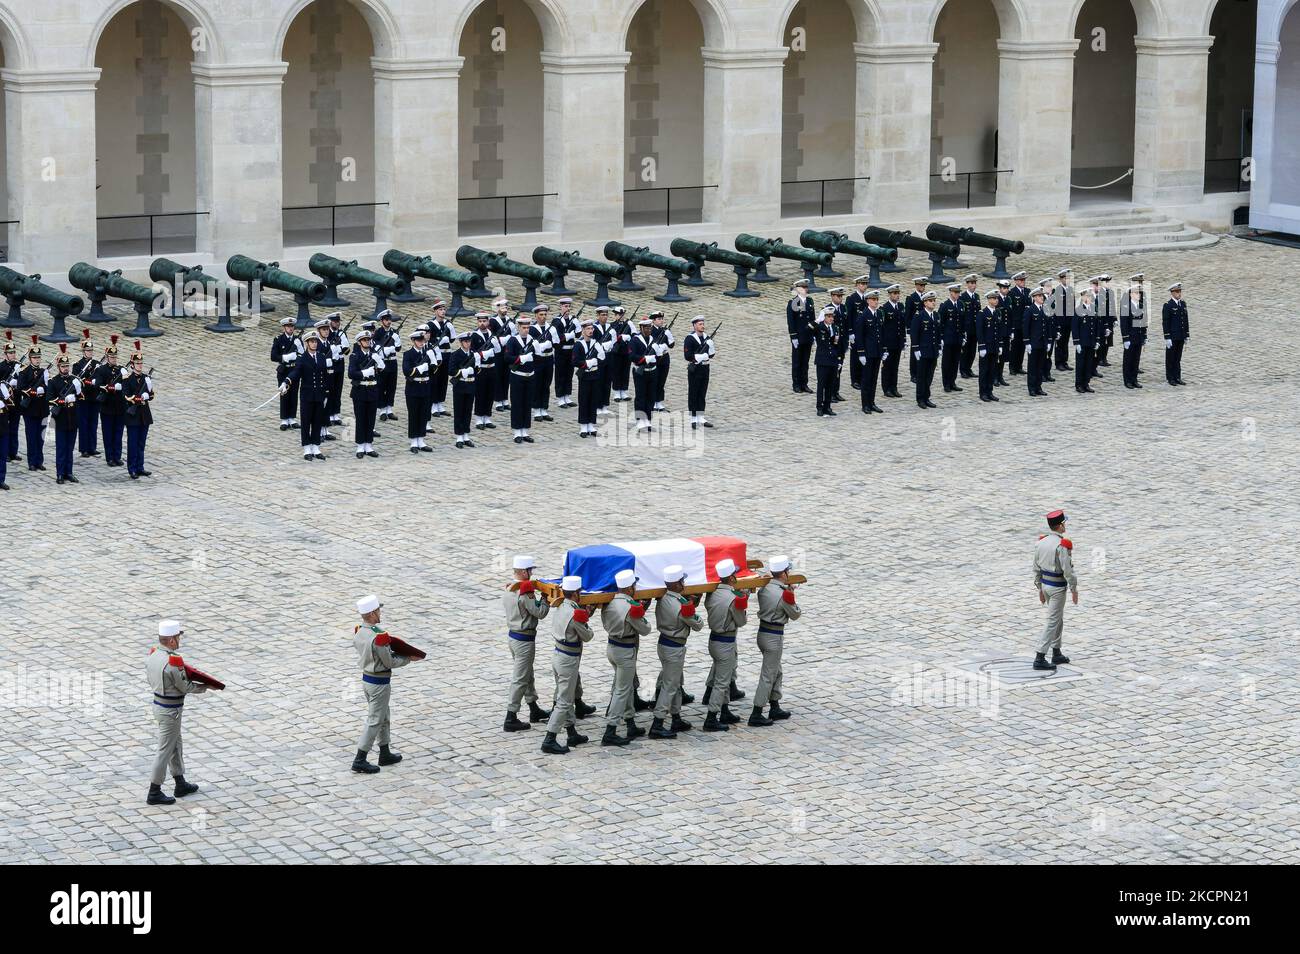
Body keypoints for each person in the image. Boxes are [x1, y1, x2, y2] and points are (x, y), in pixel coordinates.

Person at [352, 594, 420, 774]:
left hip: (367, 679)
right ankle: (360, 759)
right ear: (373, 613)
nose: (380, 613)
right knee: (375, 720)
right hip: (379, 682)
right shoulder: (378, 637)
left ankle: (385, 752)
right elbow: (389, 662)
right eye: (378, 610)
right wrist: (408, 659)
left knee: (384, 716)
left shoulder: (360, 631)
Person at [144, 619, 206, 805]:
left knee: (175, 745)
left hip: (160, 706)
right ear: (171, 640)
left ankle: (180, 782)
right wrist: (205, 686)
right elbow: (185, 686)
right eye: (178, 637)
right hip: (171, 710)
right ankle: (154, 791)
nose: (179, 640)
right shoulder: (173, 661)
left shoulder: (153, 655)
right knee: (165, 750)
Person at [542, 576, 594, 755]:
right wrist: (586, 618)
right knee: (564, 701)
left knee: (567, 696)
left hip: (558, 655)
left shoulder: (561, 606)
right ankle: (549, 738)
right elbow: (587, 636)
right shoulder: (575, 613)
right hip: (568, 659)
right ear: (577, 593)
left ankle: (572, 732)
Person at [601, 568, 651, 746]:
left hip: (612, 647)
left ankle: (630, 723)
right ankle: (610, 730)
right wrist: (642, 611)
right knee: (622, 691)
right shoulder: (631, 607)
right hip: (625, 650)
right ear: (629, 589)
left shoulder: (608, 602)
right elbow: (645, 629)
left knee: (627, 686)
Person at [652, 565, 702, 737]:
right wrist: (693, 608)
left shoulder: (663, 598)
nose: (684, 583)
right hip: (674, 646)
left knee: (674, 681)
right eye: (682, 581)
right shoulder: (680, 604)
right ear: (677, 584)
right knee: (670, 685)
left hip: (665, 643)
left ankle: (676, 717)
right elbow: (698, 625)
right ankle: (657, 723)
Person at [503, 555, 551, 731]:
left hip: (514, 637)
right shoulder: (524, 592)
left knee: (527, 674)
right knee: (521, 678)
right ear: (524, 571)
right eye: (530, 571)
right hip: (524, 639)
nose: (531, 574)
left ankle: (533, 708)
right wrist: (545, 598)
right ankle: (511, 716)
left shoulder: (509, 588)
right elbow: (540, 612)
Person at [702, 559, 748, 732]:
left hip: (714, 640)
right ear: (731, 577)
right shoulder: (733, 598)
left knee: (724, 676)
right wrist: (743, 604)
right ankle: (711, 717)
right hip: (726, 642)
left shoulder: (712, 593)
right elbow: (741, 621)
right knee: (722, 682)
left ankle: (724, 710)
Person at [752, 556, 799, 725]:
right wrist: (791, 593)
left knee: (776, 670)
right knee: (768, 675)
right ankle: (756, 712)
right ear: (784, 573)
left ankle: (774, 705)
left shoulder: (765, 589)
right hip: (774, 636)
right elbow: (795, 614)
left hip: (763, 633)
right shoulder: (783, 594)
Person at [1032, 510, 1078, 671]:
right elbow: (1067, 570)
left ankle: (1056, 652)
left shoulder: (1041, 542)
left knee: (1057, 619)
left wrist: (1039, 588)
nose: (1065, 525)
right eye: (1064, 523)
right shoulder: (1062, 544)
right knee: (1053, 621)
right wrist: (1074, 588)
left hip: (1045, 584)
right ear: (1060, 526)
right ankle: (1040, 656)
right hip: (1058, 587)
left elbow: (1035, 567)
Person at [282, 330, 331, 460]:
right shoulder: (302, 359)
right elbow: (296, 373)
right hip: (307, 395)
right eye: (311, 342)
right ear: (307, 343)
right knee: (306, 421)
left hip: (319, 395)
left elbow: (325, 376)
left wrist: (326, 392)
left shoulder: (321, 357)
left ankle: (315, 446)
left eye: (315, 341)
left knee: (317, 421)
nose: (314, 344)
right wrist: (287, 381)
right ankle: (307, 448)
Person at [503, 313, 538, 444]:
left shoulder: (532, 340)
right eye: (524, 327)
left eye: (528, 327)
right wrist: (520, 359)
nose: (526, 330)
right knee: (517, 403)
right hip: (518, 376)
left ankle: (525, 431)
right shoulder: (512, 341)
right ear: (518, 327)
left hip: (530, 376)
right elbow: (507, 358)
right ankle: (517, 432)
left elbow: (537, 357)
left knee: (527, 403)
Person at [347, 328, 382, 458]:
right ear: (360, 342)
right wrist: (363, 373)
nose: (367, 342)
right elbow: (351, 373)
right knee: (361, 418)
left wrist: (379, 364)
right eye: (364, 340)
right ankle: (360, 446)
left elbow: (381, 372)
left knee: (371, 419)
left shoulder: (374, 355)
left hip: (372, 390)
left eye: (368, 340)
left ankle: (369, 445)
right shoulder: (355, 356)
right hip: (360, 391)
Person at [48, 348, 81, 484]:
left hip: (72, 418)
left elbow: (81, 397)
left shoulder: (74, 380)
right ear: (58, 367)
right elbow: (49, 399)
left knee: (70, 447)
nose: (66, 368)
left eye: (67, 366)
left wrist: (78, 391)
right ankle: (60, 473)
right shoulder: (54, 381)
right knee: (61, 447)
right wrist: (62, 401)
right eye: (63, 366)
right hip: (60, 418)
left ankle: (69, 472)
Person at [122, 344, 155, 479]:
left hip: (144, 415)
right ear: (132, 365)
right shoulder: (127, 380)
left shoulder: (145, 378)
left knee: (141, 442)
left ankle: (140, 467)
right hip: (133, 415)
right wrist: (138, 397)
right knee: (133, 443)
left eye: (141, 363)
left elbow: (151, 395)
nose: (140, 366)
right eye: (137, 363)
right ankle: (132, 468)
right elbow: (126, 396)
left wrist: (148, 395)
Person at [16, 337, 49, 471]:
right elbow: (20, 389)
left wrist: (45, 388)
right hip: (30, 409)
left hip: (42, 409)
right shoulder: (24, 372)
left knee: (40, 437)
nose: (37, 359)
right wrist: (33, 392)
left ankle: (39, 461)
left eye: (38, 357)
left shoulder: (44, 372)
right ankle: (31, 462)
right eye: (34, 357)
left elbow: (50, 390)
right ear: (30, 358)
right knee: (31, 436)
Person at [401, 328, 435, 453]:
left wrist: (434, 362)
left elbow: (433, 372)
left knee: (424, 414)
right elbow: (407, 371)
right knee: (414, 414)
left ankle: (421, 440)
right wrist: (419, 369)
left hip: (425, 386)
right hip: (413, 388)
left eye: (422, 340)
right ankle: (413, 441)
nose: (421, 342)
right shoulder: (408, 354)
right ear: (413, 340)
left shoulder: (426, 354)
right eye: (419, 340)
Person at [94, 336, 126, 469]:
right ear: (107, 357)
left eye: (115, 357)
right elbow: (98, 385)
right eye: (111, 357)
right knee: (108, 433)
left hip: (119, 406)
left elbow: (128, 386)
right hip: (107, 405)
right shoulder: (101, 370)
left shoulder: (121, 370)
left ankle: (117, 456)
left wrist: (125, 377)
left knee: (118, 432)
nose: (114, 359)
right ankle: (109, 457)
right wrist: (111, 387)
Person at [854, 288, 885, 413]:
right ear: (867, 301)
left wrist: (883, 351)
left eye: (877, 299)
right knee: (866, 380)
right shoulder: (863, 316)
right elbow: (859, 336)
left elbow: (880, 334)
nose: (876, 302)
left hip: (876, 352)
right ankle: (865, 404)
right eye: (873, 299)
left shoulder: (878, 314)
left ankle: (872, 402)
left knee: (874, 379)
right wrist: (861, 352)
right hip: (867, 352)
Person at [682, 316, 715, 429]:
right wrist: (701, 356)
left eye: (703, 323)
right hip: (695, 369)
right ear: (695, 325)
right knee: (693, 392)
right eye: (700, 324)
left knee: (702, 392)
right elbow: (687, 356)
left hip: (705, 368)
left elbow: (711, 355)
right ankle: (693, 417)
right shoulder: (690, 338)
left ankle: (700, 416)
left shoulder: (707, 337)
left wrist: (711, 347)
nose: (702, 326)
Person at [447, 330, 478, 448]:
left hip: (470, 385)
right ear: (461, 342)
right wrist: (462, 372)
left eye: (469, 341)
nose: (468, 343)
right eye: (465, 341)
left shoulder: (473, 354)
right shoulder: (456, 355)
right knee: (459, 411)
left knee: (468, 410)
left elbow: (477, 370)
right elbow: (451, 370)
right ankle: (459, 436)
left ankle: (466, 435)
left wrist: (476, 367)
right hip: (460, 385)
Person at [270, 316, 302, 431]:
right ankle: (284, 419)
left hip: (294, 370)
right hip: (284, 370)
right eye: (288, 326)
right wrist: (285, 357)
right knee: (284, 395)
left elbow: (302, 355)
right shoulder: (278, 339)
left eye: (292, 326)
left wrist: (299, 349)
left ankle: (292, 418)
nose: (290, 328)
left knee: (294, 394)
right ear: (284, 327)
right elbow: (273, 356)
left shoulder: (298, 340)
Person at [574, 318, 604, 439]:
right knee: (584, 399)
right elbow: (575, 361)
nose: (591, 331)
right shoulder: (578, 345)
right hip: (585, 375)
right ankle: (583, 426)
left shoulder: (596, 344)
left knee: (593, 399)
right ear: (583, 330)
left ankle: (591, 425)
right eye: (588, 329)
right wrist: (587, 363)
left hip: (594, 375)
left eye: (592, 328)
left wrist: (600, 356)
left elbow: (602, 358)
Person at [72, 330, 100, 459]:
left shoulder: (97, 364)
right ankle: (84, 448)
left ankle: (92, 447)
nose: (90, 352)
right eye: (88, 350)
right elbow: (78, 381)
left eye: (91, 350)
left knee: (93, 422)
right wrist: (89, 381)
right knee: (83, 423)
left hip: (94, 397)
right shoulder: (77, 366)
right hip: (83, 397)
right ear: (83, 351)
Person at [910, 290, 940, 409]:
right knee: (921, 376)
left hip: (933, 350)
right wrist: (916, 349)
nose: (933, 303)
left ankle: (927, 397)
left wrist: (939, 346)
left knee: (929, 376)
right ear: (925, 303)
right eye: (931, 301)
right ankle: (920, 398)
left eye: (934, 301)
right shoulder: (919, 316)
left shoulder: (936, 315)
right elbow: (914, 333)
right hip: (923, 350)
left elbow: (937, 333)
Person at [629, 315, 659, 431]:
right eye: (646, 328)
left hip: (652, 371)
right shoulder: (635, 340)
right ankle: (640, 420)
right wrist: (645, 359)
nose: (648, 330)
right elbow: (632, 356)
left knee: (651, 395)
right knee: (641, 396)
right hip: (640, 371)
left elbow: (658, 357)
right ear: (641, 328)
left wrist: (658, 352)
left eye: (650, 328)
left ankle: (648, 418)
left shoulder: (653, 340)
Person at [786, 279, 815, 394]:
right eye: (802, 287)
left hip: (807, 336)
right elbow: (791, 321)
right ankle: (796, 384)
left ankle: (804, 383)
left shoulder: (809, 301)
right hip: (798, 336)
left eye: (806, 287)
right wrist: (793, 337)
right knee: (797, 361)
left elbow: (812, 319)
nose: (805, 289)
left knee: (805, 361)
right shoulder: (793, 302)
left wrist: (813, 335)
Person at [373, 309, 402, 422]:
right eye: (386, 320)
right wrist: (386, 349)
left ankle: (389, 409)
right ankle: (382, 410)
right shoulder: (378, 333)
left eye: (390, 319)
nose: (389, 322)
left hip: (392, 362)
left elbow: (398, 348)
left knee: (391, 386)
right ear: (382, 321)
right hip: (383, 362)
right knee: (382, 385)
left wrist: (397, 340)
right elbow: (375, 347)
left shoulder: (394, 332)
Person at [529, 303, 555, 423]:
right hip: (538, 360)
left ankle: (544, 408)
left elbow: (557, 342)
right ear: (536, 316)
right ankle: (536, 409)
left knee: (546, 384)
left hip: (549, 358)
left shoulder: (550, 328)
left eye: (545, 314)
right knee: (537, 384)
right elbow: (532, 346)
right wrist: (544, 345)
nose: (543, 317)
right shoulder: (532, 329)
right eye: (541, 315)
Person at [428, 301, 455, 418]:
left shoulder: (448, 324)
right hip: (435, 355)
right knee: (435, 379)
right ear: (435, 311)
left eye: (444, 309)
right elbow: (428, 340)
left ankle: (440, 403)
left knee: (444, 379)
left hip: (446, 354)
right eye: (440, 309)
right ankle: (433, 404)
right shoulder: (430, 324)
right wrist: (439, 339)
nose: (443, 311)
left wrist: (451, 330)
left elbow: (453, 339)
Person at [1120, 274, 1147, 389]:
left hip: (1139, 336)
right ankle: (1127, 380)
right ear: (1131, 294)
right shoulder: (1126, 306)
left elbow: (1143, 321)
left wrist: (1144, 336)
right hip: (1130, 337)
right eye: (1136, 293)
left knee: (1136, 359)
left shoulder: (1140, 305)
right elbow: (1124, 323)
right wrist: (1125, 338)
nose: (1139, 295)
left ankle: (1134, 379)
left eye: (1139, 293)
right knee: (1128, 360)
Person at [812, 305, 840, 418]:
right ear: (824, 317)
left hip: (832, 360)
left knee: (830, 385)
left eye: (832, 316)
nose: (831, 318)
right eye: (828, 316)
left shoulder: (835, 328)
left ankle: (827, 407)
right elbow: (807, 329)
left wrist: (839, 360)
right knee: (821, 385)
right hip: (822, 360)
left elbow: (837, 345)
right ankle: (819, 407)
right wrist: (816, 320)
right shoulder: (819, 327)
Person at [325, 311, 350, 431]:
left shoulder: (341, 334)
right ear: (330, 322)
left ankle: (335, 413)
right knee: (330, 389)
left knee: (338, 389)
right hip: (330, 365)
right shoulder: (327, 333)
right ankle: (329, 414)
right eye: (335, 321)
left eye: (338, 321)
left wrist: (339, 348)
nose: (337, 323)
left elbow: (346, 350)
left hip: (339, 363)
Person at [552, 298, 579, 408]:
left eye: (569, 306)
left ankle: (567, 396)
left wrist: (577, 328)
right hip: (561, 350)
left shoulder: (573, 320)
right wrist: (569, 335)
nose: (567, 309)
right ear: (561, 307)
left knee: (569, 373)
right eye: (565, 306)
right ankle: (560, 398)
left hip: (571, 350)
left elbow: (578, 335)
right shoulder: (556, 321)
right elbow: (558, 338)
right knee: (560, 374)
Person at [880, 284, 906, 398]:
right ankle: (886, 388)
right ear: (889, 294)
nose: (897, 295)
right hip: (888, 342)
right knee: (887, 367)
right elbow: (882, 328)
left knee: (895, 366)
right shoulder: (884, 308)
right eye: (894, 293)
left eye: (898, 293)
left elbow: (902, 324)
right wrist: (883, 345)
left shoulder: (900, 306)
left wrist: (904, 340)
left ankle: (894, 387)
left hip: (898, 342)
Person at [938, 283, 964, 393]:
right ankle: (946, 383)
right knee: (947, 362)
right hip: (948, 338)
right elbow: (941, 323)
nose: (957, 294)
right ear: (951, 293)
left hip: (957, 338)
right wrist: (942, 337)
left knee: (955, 361)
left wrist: (963, 336)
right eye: (955, 292)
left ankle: (953, 382)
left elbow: (962, 322)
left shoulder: (960, 304)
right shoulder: (945, 305)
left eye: (958, 292)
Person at [1023, 286, 1049, 397]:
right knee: (1032, 367)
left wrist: (1047, 341)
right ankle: (1032, 388)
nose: (1041, 297)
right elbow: (1025, 327)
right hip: (1033, 343)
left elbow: (1046, 327)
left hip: (1042, 343)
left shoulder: (1044, 309)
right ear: (1034, 298)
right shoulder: (1030, 310)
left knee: (1040, 366)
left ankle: (1038, 387)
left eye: (1042, 295)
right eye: (1039, 296)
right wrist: (1027, 342)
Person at [976, 290, 1002, 403]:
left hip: (994, 346)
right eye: (994, 298)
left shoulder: (997, 313)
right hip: (985, 347)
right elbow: (980, 331)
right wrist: (981, 346)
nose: (996, 300)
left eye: (997, 298)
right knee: (984, 370)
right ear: (989, 299)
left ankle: (990, 391)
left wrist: (1000, 345)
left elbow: (999, 330)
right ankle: (983, 393)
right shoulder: (982, 313)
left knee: (992, 370)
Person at [1162, 282, 1189, 385]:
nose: (1179, 293)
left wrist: (1186, 335)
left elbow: (1185, 320)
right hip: (1172, 336)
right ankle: (1170, 378)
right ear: (1172, 293)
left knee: (1178, 358)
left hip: (1181, 336)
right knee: (1170, 358)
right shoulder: (1168, 305)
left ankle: (1177, 377)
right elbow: (1165, 322)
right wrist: (1167, 337)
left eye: (1180, 291)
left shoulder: (1183, 304)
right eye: (1177, 292)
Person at [1072, 288, 1098, 394]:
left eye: (1090, 296)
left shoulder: (1093, 309)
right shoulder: (1078, 310)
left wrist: (1097, 340)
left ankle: (1086, 383)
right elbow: (1075, 327)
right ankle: (1079, 384)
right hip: (1082, 342)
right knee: (1080, 364)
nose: (1089, 298)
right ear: (1082, 297)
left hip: (1091, 342)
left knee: (1089, 364)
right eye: (1087, 296)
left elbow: (1095, 326)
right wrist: (1077, 342)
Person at [905, 277, 928, 383]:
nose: (923, 287)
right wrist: (909, 329)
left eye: (924, 285)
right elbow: (908, 315)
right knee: (914, 350)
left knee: (923, 350)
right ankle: (913, 373)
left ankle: (921, 371)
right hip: (915, 329)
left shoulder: (926, 297)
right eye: (921, 285)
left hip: (924, 328)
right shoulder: (911, 298)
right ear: (916, 285)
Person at [651, 310, 674, 412]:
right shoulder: (650, 330)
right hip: (655, 358)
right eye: (659, 319)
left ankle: (659, 402)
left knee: (662, 381)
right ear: (653, 320)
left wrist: (670, 337)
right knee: (654, 380)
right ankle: (652, 402)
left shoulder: (665, 331)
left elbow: (671, 345)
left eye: (662, 319)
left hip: (664, 358)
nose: (661, 321)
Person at [958, 274, 981, 378]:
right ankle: (963, 369)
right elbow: (961, 315)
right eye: (971, 283)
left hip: (975, 328)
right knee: (965, 350)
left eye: (975, 283)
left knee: (972, 350)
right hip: (967, 328)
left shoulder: (976, 297)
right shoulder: (962, 297)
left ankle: (969, 368)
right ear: (967, 284)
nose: (973, 285)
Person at [1006, 272, 1029, 375]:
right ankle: (1012, 366)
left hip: (1025, 323)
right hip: (1016, 323)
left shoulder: (1028, 291)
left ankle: (1019, 366)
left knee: (1022, 346)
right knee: (1015, 346)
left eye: (1024, 280)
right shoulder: (1012, 293)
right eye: (1021, 280)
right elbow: (1010, 311)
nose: (1023, 282)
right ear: (1015, 281)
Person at [1054, 267, 1075, 372]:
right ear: (1061, 279)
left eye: (1068, 278)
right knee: (1059, 342)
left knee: (1065, 342)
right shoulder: (1057, 290)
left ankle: (1064, 361)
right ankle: (1059, 362)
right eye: (1065, 278)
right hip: (1060, 321)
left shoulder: (1070, 290)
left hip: (1068, 321)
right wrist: (1057, 324)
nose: (1067, 280)